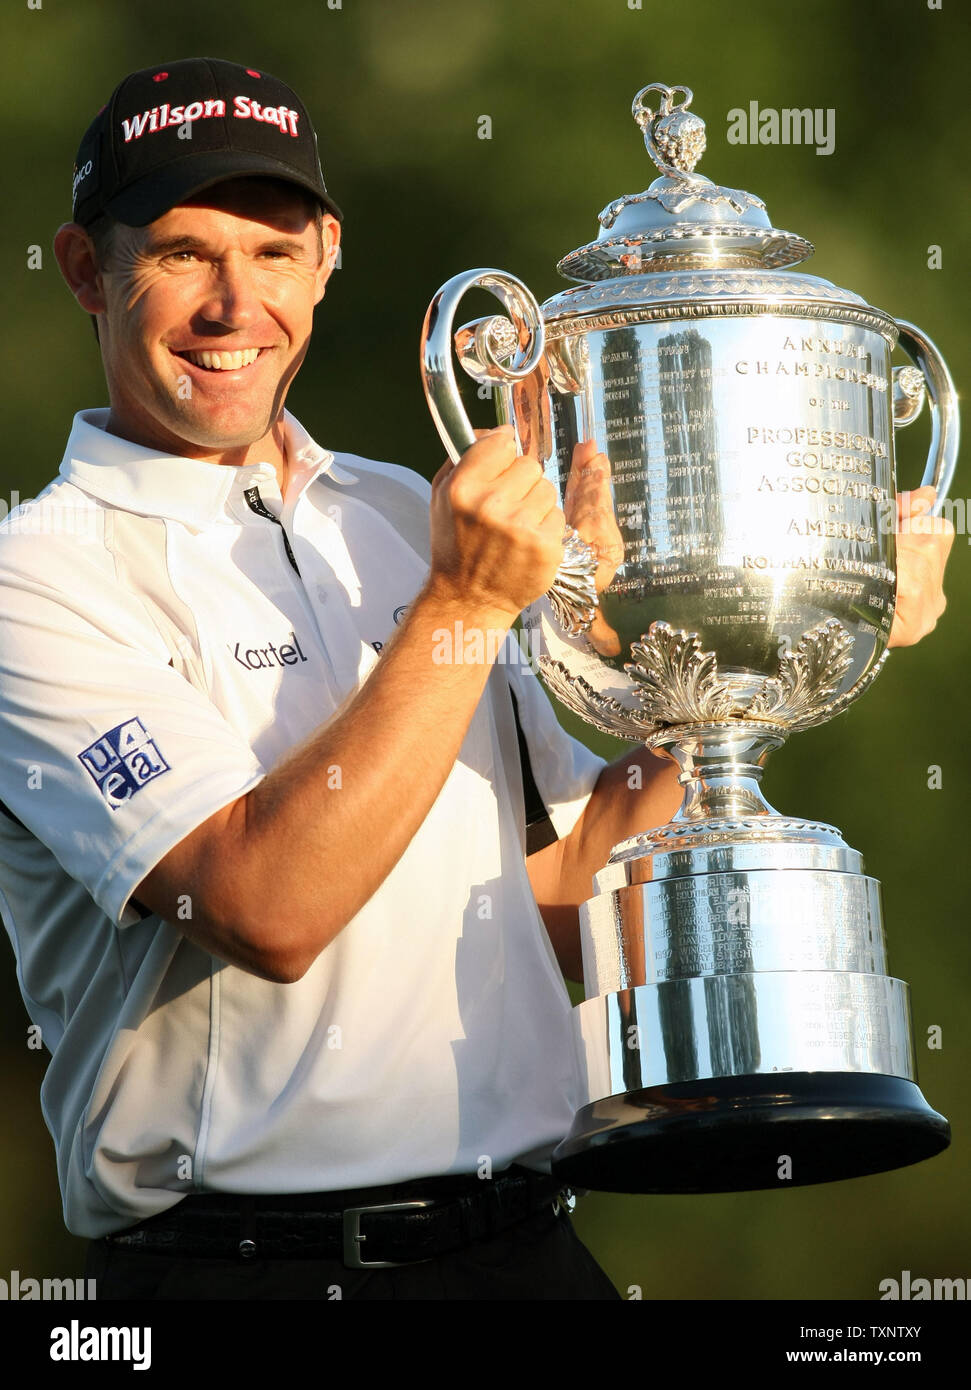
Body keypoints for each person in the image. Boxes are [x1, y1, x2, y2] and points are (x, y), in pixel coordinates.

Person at [0, 57, 954, 1303]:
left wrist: (753, 635)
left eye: (275, 253)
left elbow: (561, 896)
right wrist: (460, 608)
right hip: (238, 1272)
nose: (236, 304)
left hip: (522, 1252)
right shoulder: (39, 572)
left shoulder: (403, 512)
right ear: (85, 269)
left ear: (328, 256)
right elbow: (263, 907)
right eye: (183, 253)